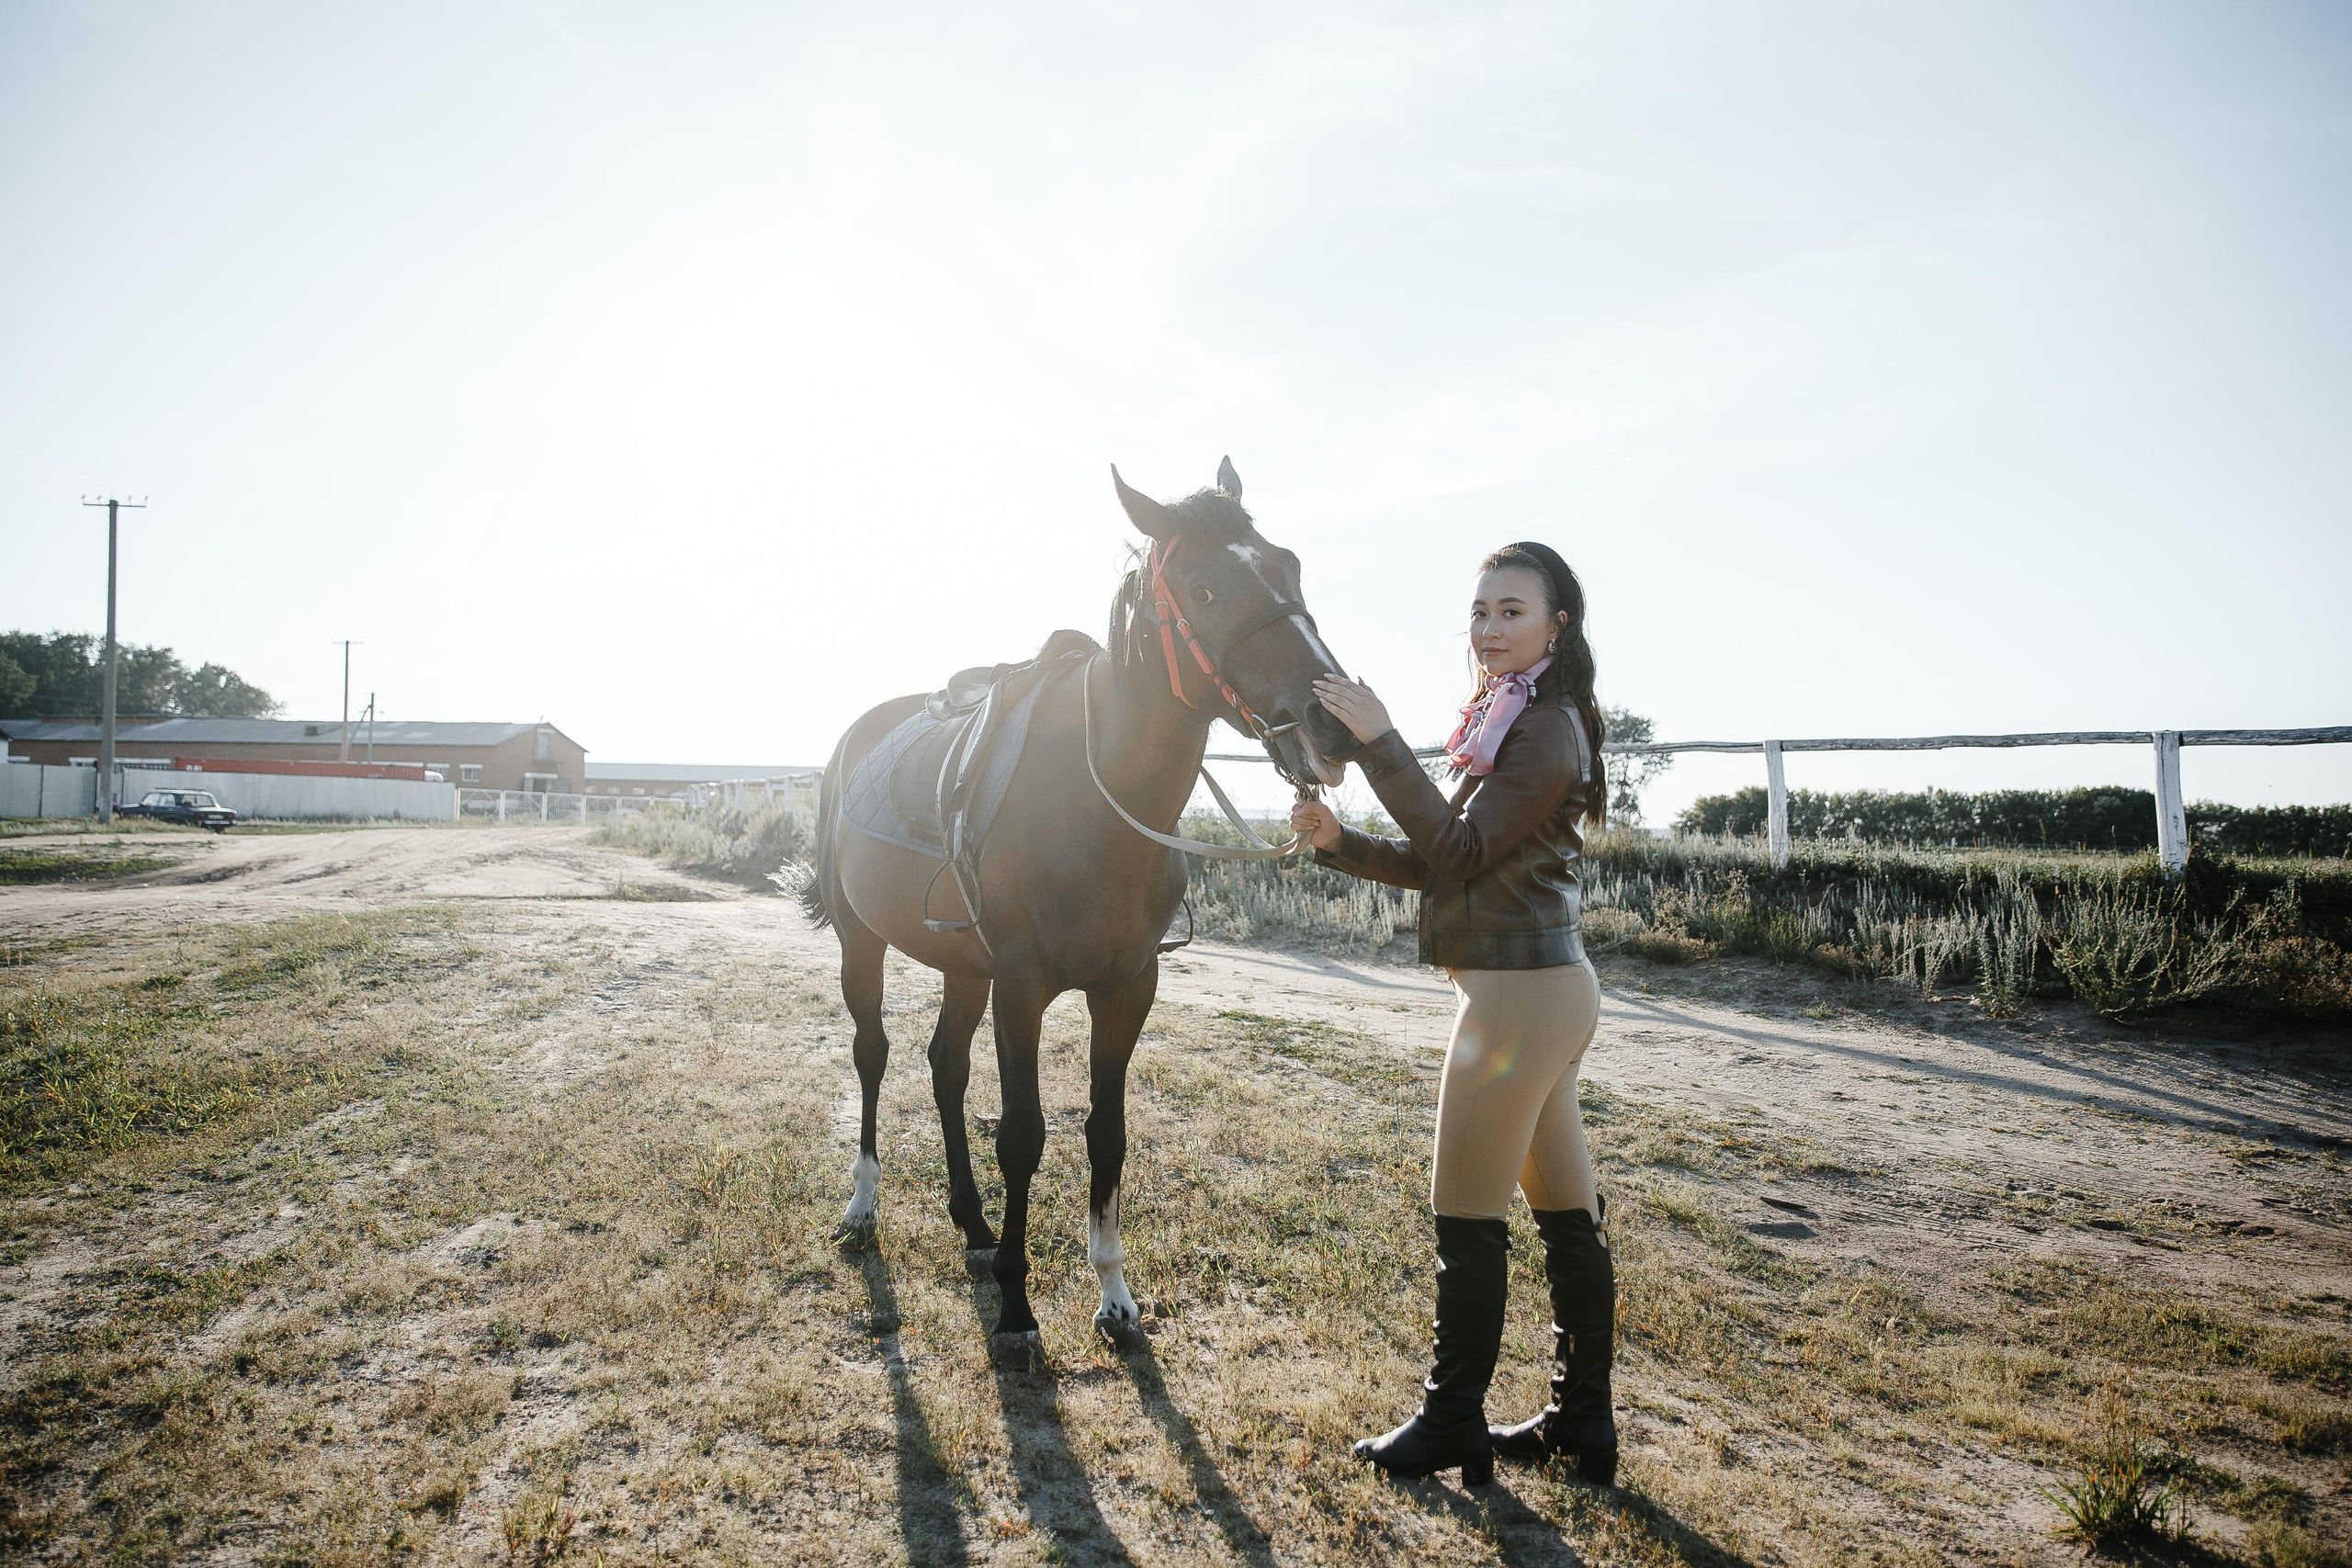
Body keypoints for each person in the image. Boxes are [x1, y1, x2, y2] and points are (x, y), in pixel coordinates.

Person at [1291, 540, 1617, 1489]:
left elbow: (1461, 852)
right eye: (1479, 613)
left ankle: (1449, 1423)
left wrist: (1384, 744)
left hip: (1519, 1002)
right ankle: (1580, 1428)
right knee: (1566, 1218)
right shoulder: (1510, 719)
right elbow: (1446, 855)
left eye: (1511, 611)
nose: (1489, 629)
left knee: (1464, 1216)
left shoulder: (1546, 729)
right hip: (1537, 992)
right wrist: (1340, 840)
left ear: (1558, 624)